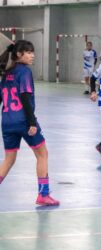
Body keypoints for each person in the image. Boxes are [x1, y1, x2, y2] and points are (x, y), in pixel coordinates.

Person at [0, 40, 60, 206]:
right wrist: (31, 123)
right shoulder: (24, 71)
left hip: (6, 122)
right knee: (42, 154)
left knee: (9, 160)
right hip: (23, 121)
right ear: (19, 54)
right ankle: (43, 194)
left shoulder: (6, 73)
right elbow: (25, 97)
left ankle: (44, 194)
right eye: (28, 52)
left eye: (32, 52)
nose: (32, 55)